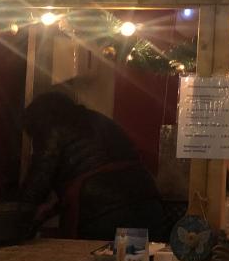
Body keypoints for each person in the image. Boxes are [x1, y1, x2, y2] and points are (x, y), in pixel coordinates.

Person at [20, 90, 166, 241]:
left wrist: (19, 217)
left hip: (101, 214)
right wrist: (52, 208)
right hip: (148, 200)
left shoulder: (52, 128)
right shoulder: (98, 119)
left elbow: (38, 181)